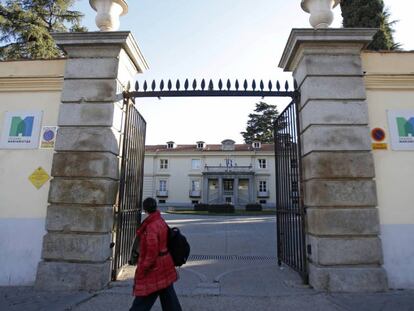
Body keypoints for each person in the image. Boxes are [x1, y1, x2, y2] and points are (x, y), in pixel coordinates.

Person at [130, 197, 182, 311]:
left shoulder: (151, 226)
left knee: (143, 298)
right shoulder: (160, 221)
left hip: (155, 267)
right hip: (165, 263)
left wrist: (143, 268)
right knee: (168, 297)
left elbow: (152, 252)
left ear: (145, 209)